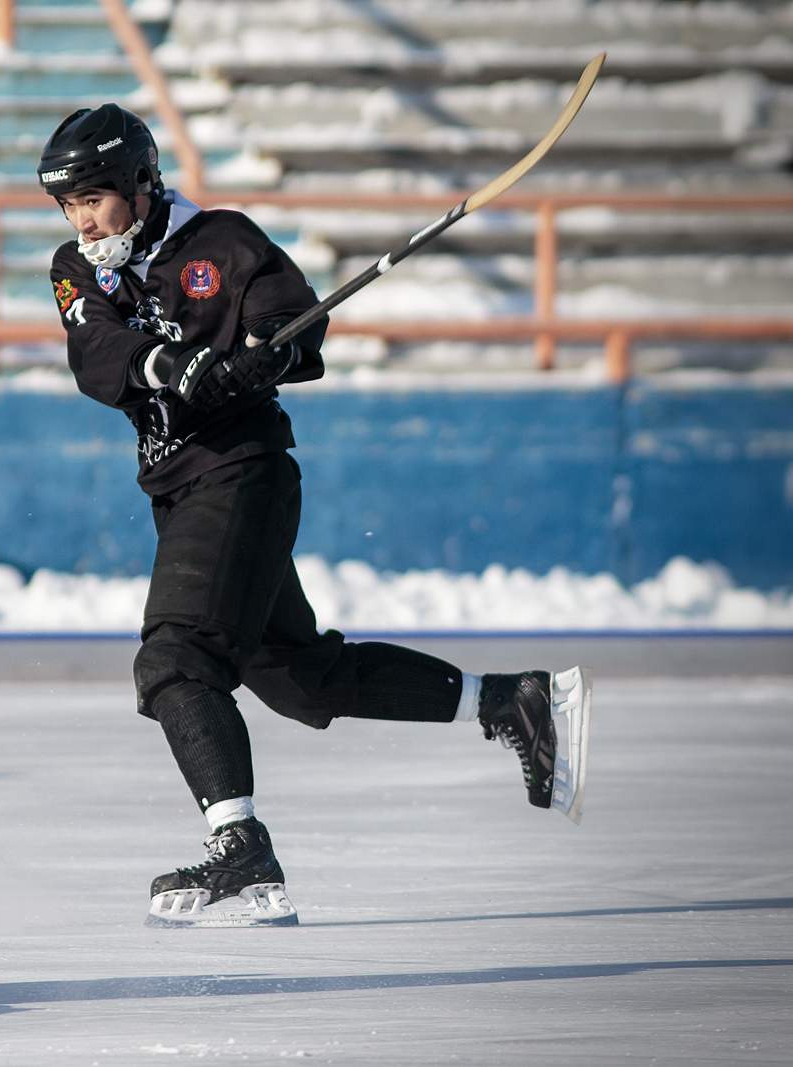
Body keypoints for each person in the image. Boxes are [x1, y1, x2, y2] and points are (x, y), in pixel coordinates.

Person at [38, 104, 591, 928]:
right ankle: (513, 700)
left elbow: (295, 321)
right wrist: (180, 366)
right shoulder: (79, 267)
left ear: (140, 183)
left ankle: (240, 845)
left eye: (95, 197)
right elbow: (99, 354)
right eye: (69, 203)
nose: (82, 218)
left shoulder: (224, 241)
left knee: (175, 660)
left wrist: (265, 354)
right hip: (182, 488)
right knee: (302, 678)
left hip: (241, 476)